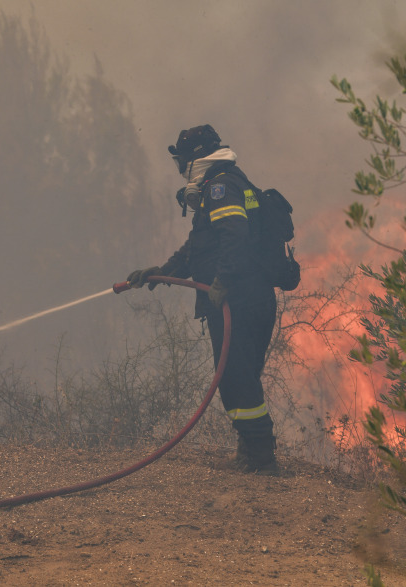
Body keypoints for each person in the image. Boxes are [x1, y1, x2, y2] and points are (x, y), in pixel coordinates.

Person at [126, 124, 279, 474]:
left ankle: (259, 457)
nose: (180, 170)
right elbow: (201, 247)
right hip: (253, 297)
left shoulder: (221, 187)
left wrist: (223, 280)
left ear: (195, 159)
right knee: (243, 376)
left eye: (181, 161)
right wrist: (162, 271)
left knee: (235, 377)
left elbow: (235, 236)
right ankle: (255, 450)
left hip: (235, 301)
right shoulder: (231, 181)